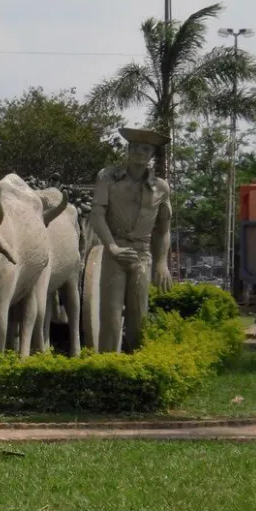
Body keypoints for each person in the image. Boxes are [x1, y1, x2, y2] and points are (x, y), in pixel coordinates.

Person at [89, 127, 173, 352]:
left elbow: (163, 230)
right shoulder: (108, 177)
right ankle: (107, 365)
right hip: (115, 252)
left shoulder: (161, 187)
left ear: (152, 154)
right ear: (128, 150)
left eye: (145, 149)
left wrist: (162, 262)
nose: (139, 152)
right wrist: (112, 247)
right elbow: (97, 215)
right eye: (135, 147)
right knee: (111, 316)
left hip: (142, 254)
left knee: (139, 318)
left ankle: (136, 364)